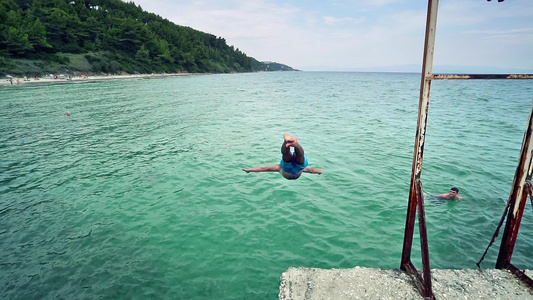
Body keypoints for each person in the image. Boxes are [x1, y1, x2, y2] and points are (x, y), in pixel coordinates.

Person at [242, 133, 323, 180]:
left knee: (299, 158)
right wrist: (249, 170)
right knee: (290, 156)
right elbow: (312, 171)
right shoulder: (279, 168)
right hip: (289, 169)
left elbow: (312, 171)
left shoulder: (279, 168)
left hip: (292, 169)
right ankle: (290, 143)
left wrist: (249, 170)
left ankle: (293, 144)